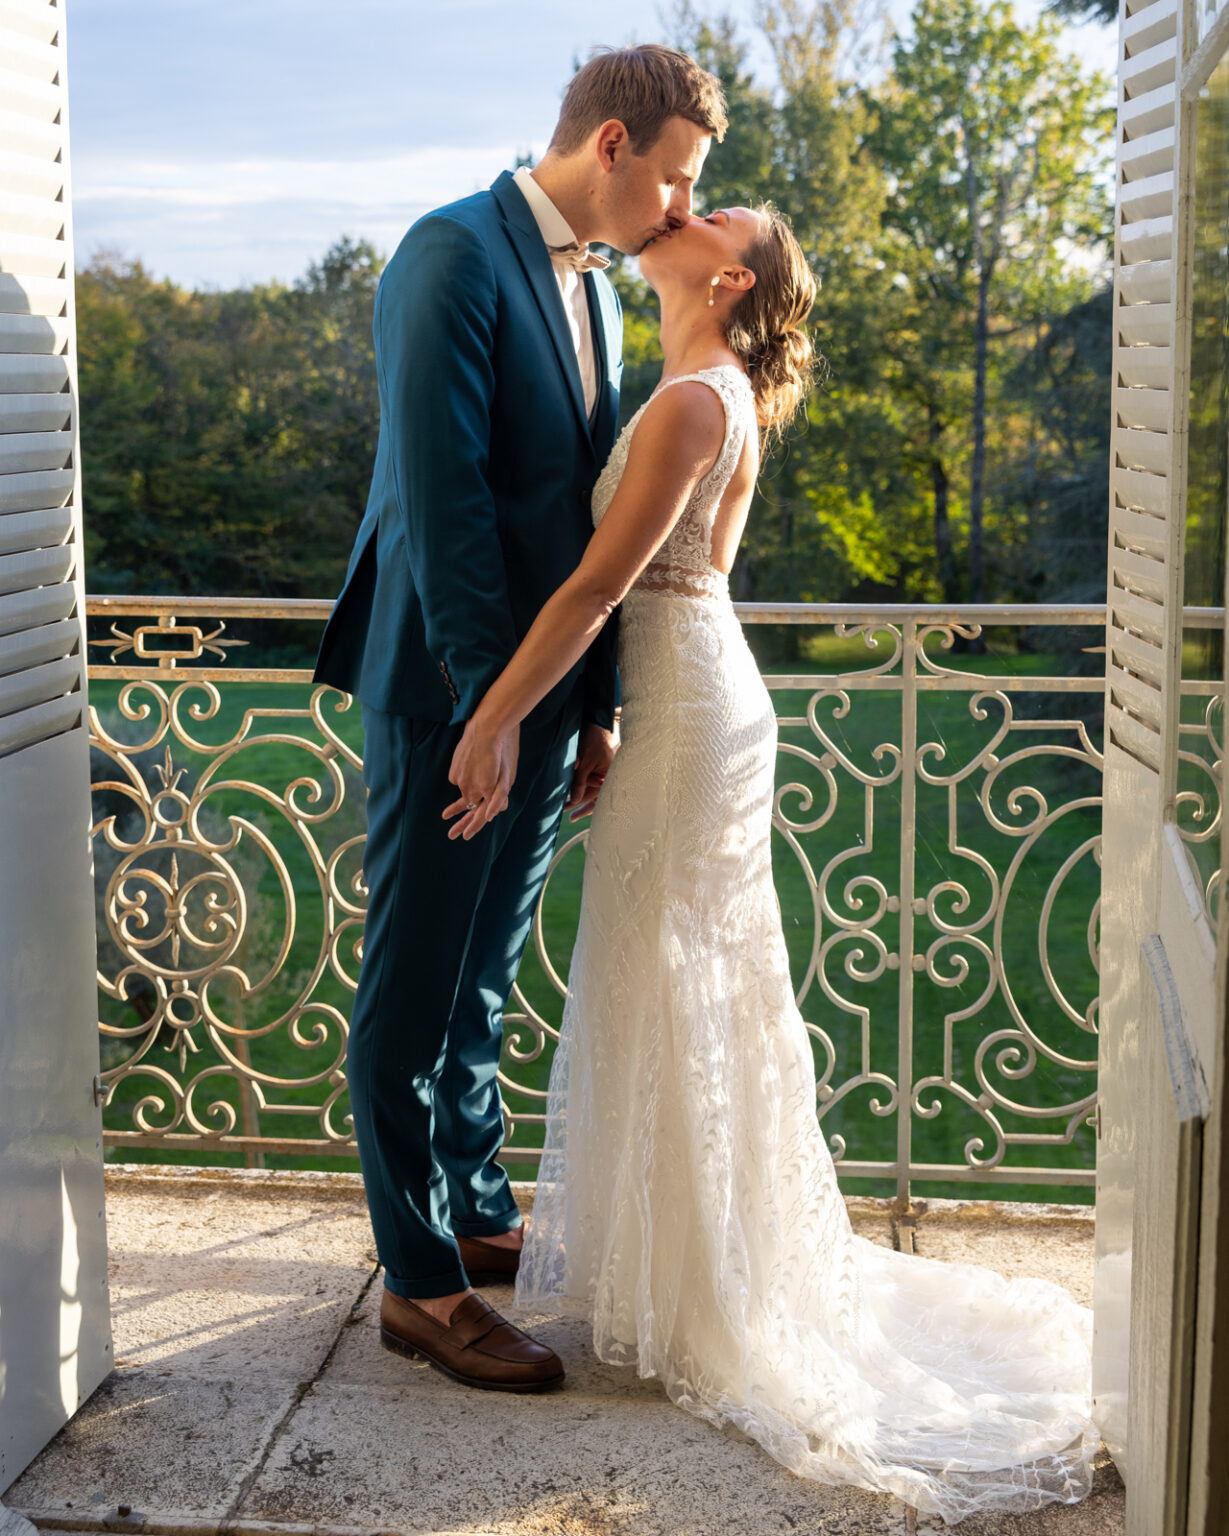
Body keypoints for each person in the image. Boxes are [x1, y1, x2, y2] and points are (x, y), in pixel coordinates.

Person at [445, 204, 1099, 1523]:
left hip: (695, 714)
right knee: (682, 981)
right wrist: (614, 712)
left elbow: (593, 586)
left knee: (679, 981)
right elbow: (699, 577)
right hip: (696, 695)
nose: (671, 219)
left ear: (726, 275)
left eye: (701, 217)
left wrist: (497, 716)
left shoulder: (694, 401)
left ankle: (712, 1294)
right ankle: (688, 1269)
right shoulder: (716, 390)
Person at [312, 45, 728, 1392]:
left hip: (545, 695)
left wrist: (589, 703)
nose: (677, 210)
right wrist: (489, 712)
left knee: (485, 973)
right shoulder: (448, 255)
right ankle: (419, 1283)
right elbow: (445, 513)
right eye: (671, 177)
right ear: (610, 145)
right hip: (453, 691)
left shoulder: (599, 295)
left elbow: (584, 525)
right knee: (416, 984)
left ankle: (474, 1203)